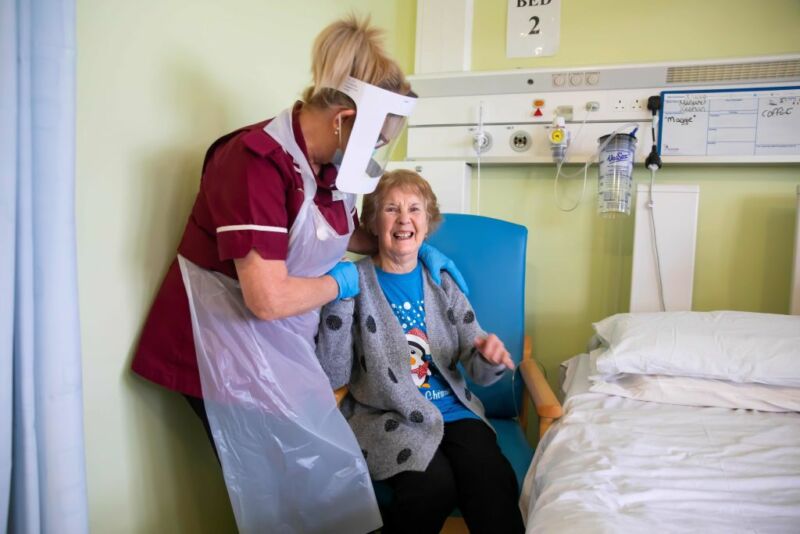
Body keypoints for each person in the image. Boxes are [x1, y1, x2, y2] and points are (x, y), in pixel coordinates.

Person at [130, 16, 465, 458]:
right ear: (345, 121)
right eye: (378, 139)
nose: (378, 151)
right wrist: (346, 282)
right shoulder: (255, 164)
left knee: (314, 485)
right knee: (281, 489)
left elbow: (339, 233)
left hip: (277, 341)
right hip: (219, 349)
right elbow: (267, 298)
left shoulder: (331, 166)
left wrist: (412, 248)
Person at [316, 169, 526, 534]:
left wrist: (488, 358)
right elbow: (333, 374)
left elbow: (474, 361)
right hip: (385, 414)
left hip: (454, 412)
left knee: (490, 478)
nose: (404, 219)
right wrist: (337, 301)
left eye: (414, 209)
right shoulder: (355, 282)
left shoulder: (441, 280)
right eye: (391, 209)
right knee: (432, 488)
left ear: (427, 224)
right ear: (372, 222)